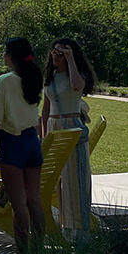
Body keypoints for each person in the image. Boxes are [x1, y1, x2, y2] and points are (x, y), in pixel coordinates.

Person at [0, 37, 46, 254]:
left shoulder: (5, 81)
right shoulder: (34, 78)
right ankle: (39, 250)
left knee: (19, 204)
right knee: (34, 200)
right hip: (31, 142)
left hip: (11, 142)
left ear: (11, 56)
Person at [41, 38, 96, 235]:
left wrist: (71, 58)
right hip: (53, 128)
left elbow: (75, 86)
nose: (55, 57)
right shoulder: (51, 76)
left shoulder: (77, 74)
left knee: (75, 180)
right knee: (54, 182)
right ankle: (61, 225)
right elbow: (45, 110)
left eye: (60, 54)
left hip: (71, 127)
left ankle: (79, 229)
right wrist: (43, 136)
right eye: (53, 52)